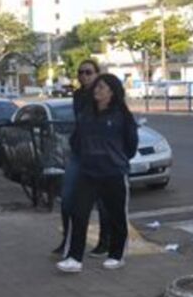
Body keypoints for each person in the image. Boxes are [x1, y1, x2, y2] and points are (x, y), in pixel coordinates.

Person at [57, 73, 138, 273]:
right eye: (96, 87)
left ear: (112, 92)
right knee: (79, 213)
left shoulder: (121, 115)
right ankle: (74, 258)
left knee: (116, 215)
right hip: (88, 172)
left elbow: (131, 144)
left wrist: (117, 159)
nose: (97, 91)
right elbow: (76, 140)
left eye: (102, 87)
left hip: (113, 172)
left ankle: (116, 254)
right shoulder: (87, 114)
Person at [53, 59, 109, 257]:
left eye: (88, 72)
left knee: (103, 201)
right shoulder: (78, 95)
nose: (84, 76)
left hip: (101, 154)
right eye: (80, 72)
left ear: (97, 73)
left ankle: (105, 242)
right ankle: (67, 240)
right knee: (67, 198)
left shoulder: (104, 94)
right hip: (80, 152)